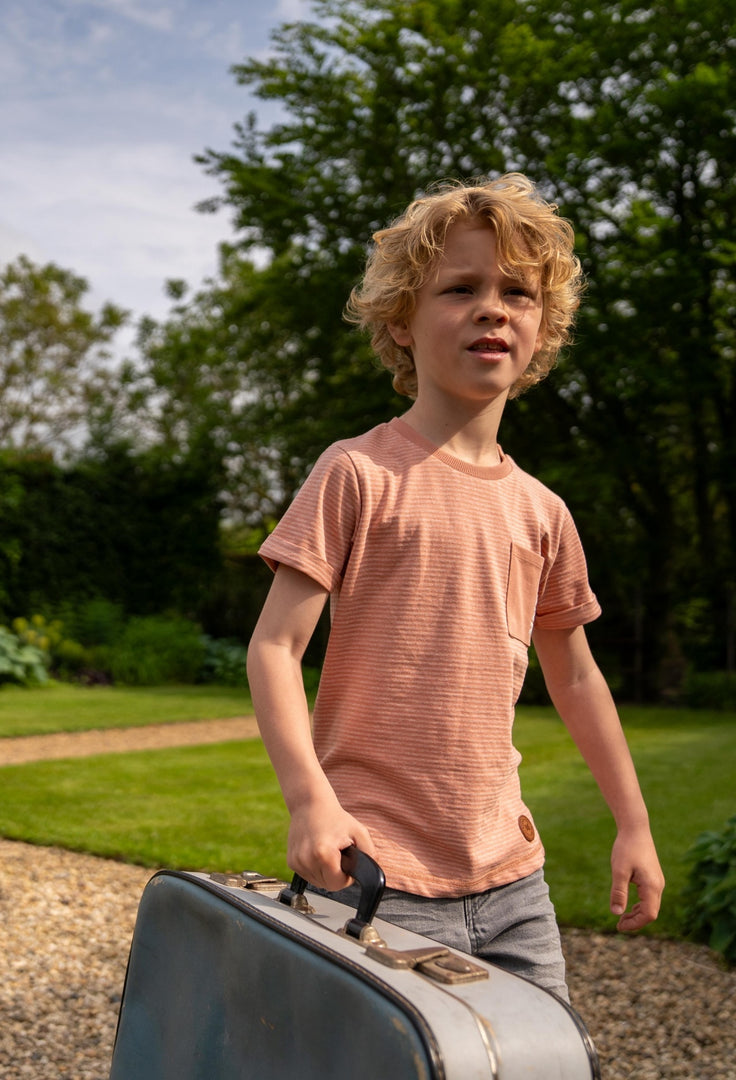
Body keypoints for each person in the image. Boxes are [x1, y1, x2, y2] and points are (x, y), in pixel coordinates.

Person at [246, 173, 664, 1001]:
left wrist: (635, 824)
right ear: (401, 320)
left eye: (517, 291)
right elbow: (274, 646)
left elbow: (576, 678)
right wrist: (308, 802)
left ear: (542, 327)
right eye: (461, 287)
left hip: (514, 883)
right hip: (371, 871)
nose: (493, 307)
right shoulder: (357, 472)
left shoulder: (543, 513)